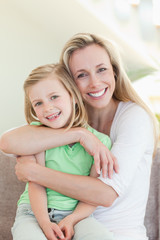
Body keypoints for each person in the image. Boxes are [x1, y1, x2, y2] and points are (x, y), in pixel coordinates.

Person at [0, 33, 159, 240]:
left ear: (115, 71)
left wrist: (34, 172)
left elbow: (105, 194)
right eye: (82, 75)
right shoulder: (63, 115)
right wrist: (79, 134)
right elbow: (8, 142)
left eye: (101, 69)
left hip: (115, 234)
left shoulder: (133, 116)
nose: (94, 83)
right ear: (70, 84)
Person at [11, 63, 116, 240]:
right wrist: (44, 223)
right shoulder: (36, 136)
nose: (47, 108)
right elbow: (36, 183)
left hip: (78, 215)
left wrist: (72, 219)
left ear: (73, 96)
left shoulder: (100, 143)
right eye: (38, 103)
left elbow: (92, 194)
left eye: (54, 97)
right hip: (32, 213)